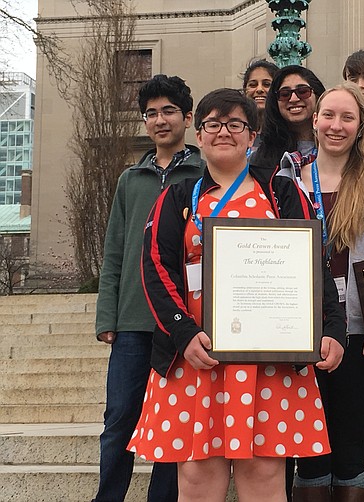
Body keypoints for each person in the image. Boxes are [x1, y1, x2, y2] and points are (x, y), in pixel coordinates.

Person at [128, 88, 346, 501]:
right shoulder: (178, 198)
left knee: (263, 476)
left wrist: (332, 326)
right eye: (212, 123)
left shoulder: (281, 193)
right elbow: (156, 269)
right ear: (199, 132)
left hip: (269, 360)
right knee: (196, 479)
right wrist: (183, 333)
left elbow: (313, 264)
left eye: (235, 124)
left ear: (253, 134)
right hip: (199, 356)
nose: (223, 132)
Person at [93, 74, 204, 502]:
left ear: (187, 117)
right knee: (120, 416)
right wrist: (108, 316)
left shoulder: (202, 173)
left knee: (170, 423)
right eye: (152, 113)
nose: (160, 120)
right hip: (133, 320)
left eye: (169, 111)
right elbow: (115, 251)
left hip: (180, 322)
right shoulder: (130, 179)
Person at [281, 82, 364, 501]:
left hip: (359, 330)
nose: (337, 126)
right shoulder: (286, 183)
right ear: (314, 119)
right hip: (302, 329)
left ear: (361, 126)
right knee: (308, 449)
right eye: (329, 115)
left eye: (348, 117)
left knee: (350, 446)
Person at [252, 65, 325, 170]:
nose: (294, 99)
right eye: (285, 94)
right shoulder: (260, 158)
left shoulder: (337, 147)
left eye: (303, 91)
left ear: (318, 96)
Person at [242, 59, 279, 139]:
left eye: (266, 84)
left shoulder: (289, 133)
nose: (259, 89)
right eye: (253, 85)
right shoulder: (236, 131)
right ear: (245, 90)